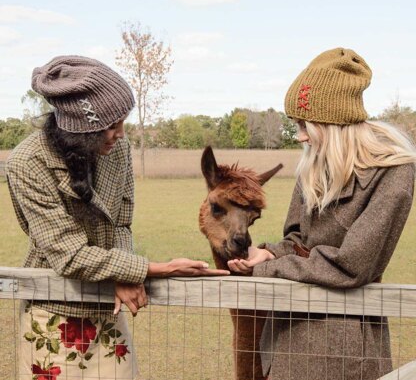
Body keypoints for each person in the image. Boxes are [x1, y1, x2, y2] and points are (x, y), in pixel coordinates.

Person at [6, 55, 229, 380]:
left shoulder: (118, 151)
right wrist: (154, 268)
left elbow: (122, 222)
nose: (121, 134)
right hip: (55, 311)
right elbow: (68, 255)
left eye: (124, 121)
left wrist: (124, 276)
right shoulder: (27, 163)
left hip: (109, 306)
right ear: (81, 129)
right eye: (111, 126)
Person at [227, 48, 416, 380]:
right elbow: (298, 240)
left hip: (344, 348)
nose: (300, 135)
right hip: (286, 335)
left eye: (305, 124)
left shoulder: (394, 173)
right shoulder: (312, 167)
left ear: (334, 121)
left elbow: (352, 264)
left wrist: (270, 268)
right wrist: (267, 252)